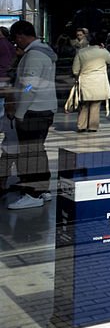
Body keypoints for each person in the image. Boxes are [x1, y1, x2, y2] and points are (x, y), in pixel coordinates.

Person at [8, 20, 58, 210]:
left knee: (29, 154)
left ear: (21, 36)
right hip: (43, 109)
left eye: (15, 40)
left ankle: (32, 193)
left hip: (33, 111)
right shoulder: (44, 50)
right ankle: (42, 190)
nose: (16, 44)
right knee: (37, 151)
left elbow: (30, 85)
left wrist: (20, 111)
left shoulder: (34, 55)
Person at [71, 31, 110, 133]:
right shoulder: (103, 52)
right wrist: (104, 49)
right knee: (95, 105)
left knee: (84, 104)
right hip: (99, 81)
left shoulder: (81, 52)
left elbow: (75, 70)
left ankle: (81, 125)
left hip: (85, 80)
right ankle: (93, 127)